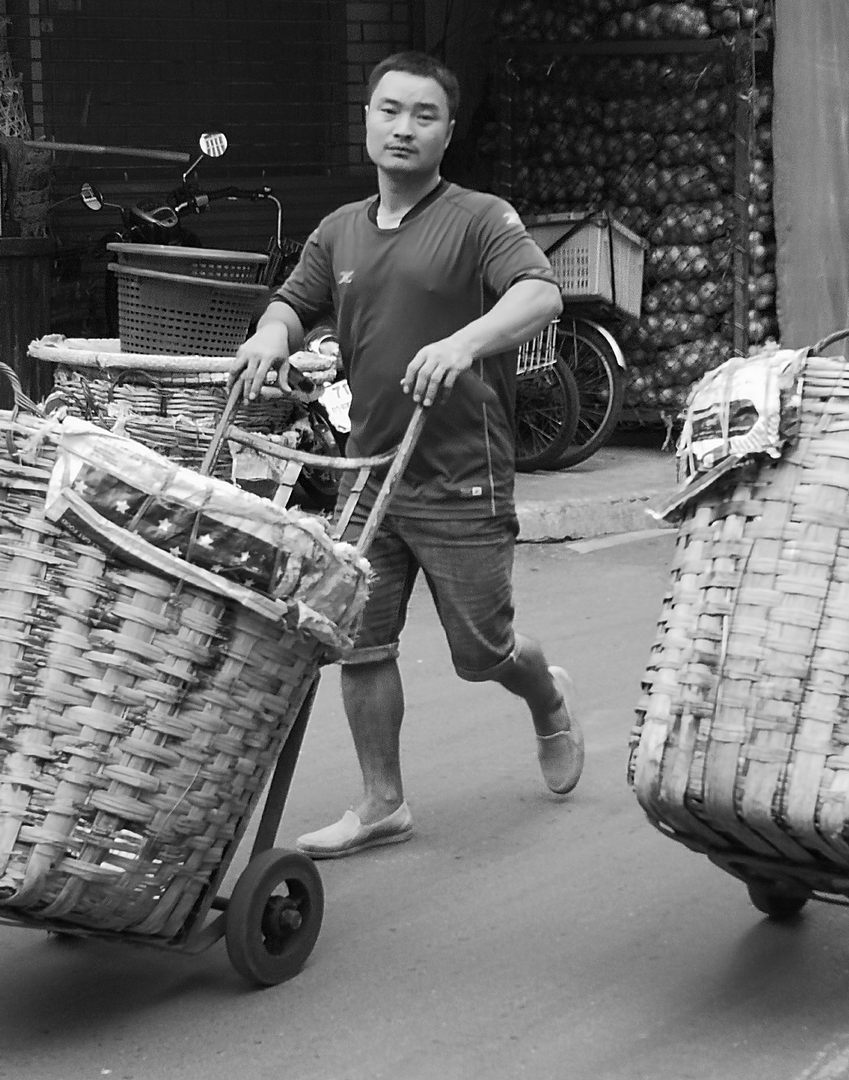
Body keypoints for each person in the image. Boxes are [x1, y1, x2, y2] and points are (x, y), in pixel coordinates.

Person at [231, 51, 581, 859]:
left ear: (447, 132)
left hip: (461, 476)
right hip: (369, 475)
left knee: (480, 653)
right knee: (362, 642)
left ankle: (547, 702)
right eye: (390, 110)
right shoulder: (339, 229)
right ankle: (383, 802)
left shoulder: (481, 218)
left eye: (424, 115)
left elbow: (540, 294)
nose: (404, 127)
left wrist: (463, 342)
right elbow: (293, 301)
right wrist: (268, 337)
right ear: (367, 120)